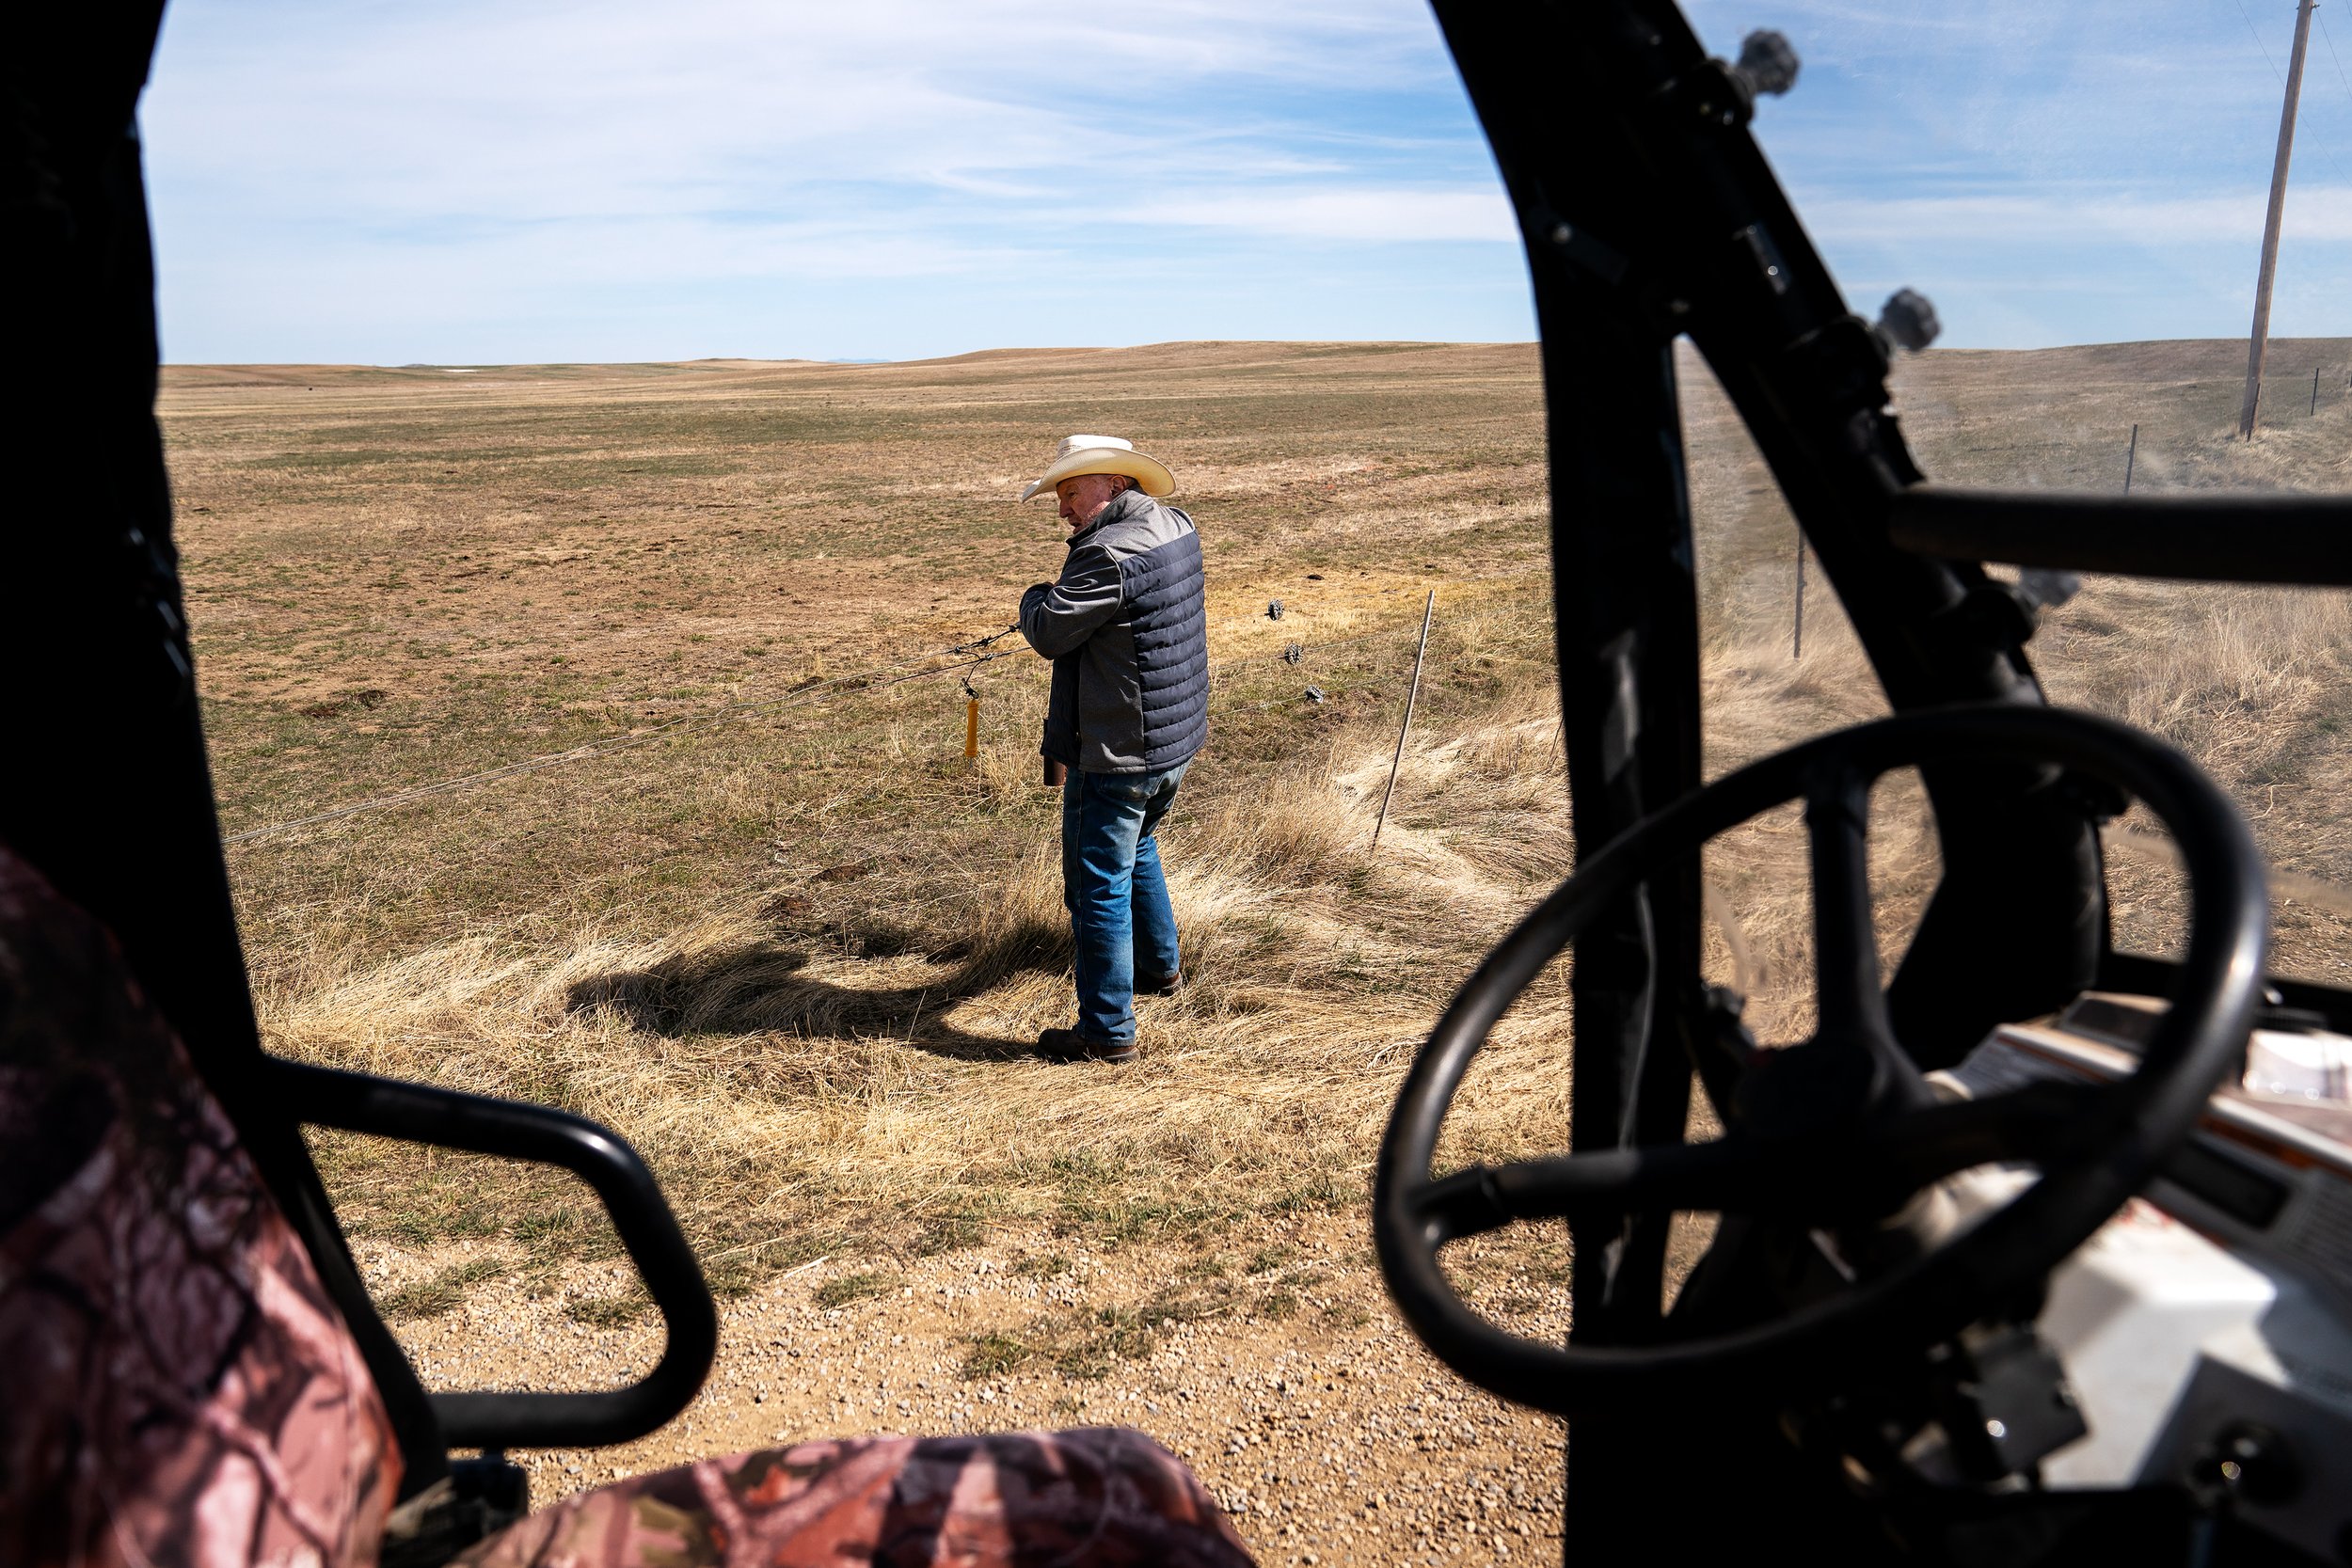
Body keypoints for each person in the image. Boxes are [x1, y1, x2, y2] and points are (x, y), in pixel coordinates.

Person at [1016, 435, 1208, 1064]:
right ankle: (1161, 969)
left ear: (1115, 486)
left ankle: (1106, 1028)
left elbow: (1048, 630)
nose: (1064, 509)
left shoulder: (1107, 555)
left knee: (1099, 882)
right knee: (1140, 844)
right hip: (1173, 739)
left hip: (1122, 745)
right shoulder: (1174, 523)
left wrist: (1033, 597)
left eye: (1071, 491)